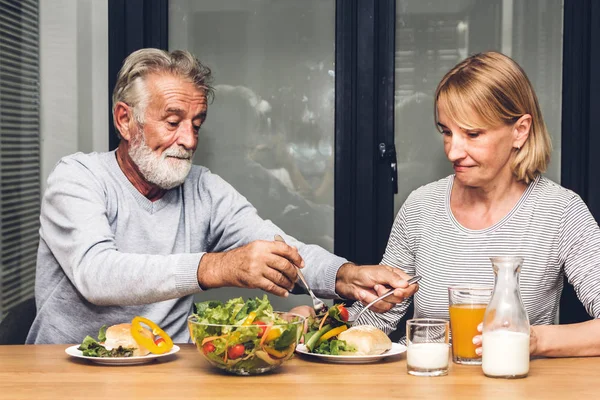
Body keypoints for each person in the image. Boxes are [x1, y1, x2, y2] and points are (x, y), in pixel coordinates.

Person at [26, 49, 417, 344]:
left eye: (197, 124)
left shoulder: (204, 188)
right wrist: (214, 268)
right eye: (174, 122)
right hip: (66, 366)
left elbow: (277, 246)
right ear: (125, 120)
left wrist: (344, 275)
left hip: (169, 368)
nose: (189, 140)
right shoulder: (78, 177)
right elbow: (97, 274)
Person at [350, 51, 600, 357]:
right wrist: (319, 324)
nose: (453, 152)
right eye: (446, 132)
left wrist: (533, 340)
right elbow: (377, 316)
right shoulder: (420, 207)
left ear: (520, 130)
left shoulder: (560, 212)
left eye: (472, 134)